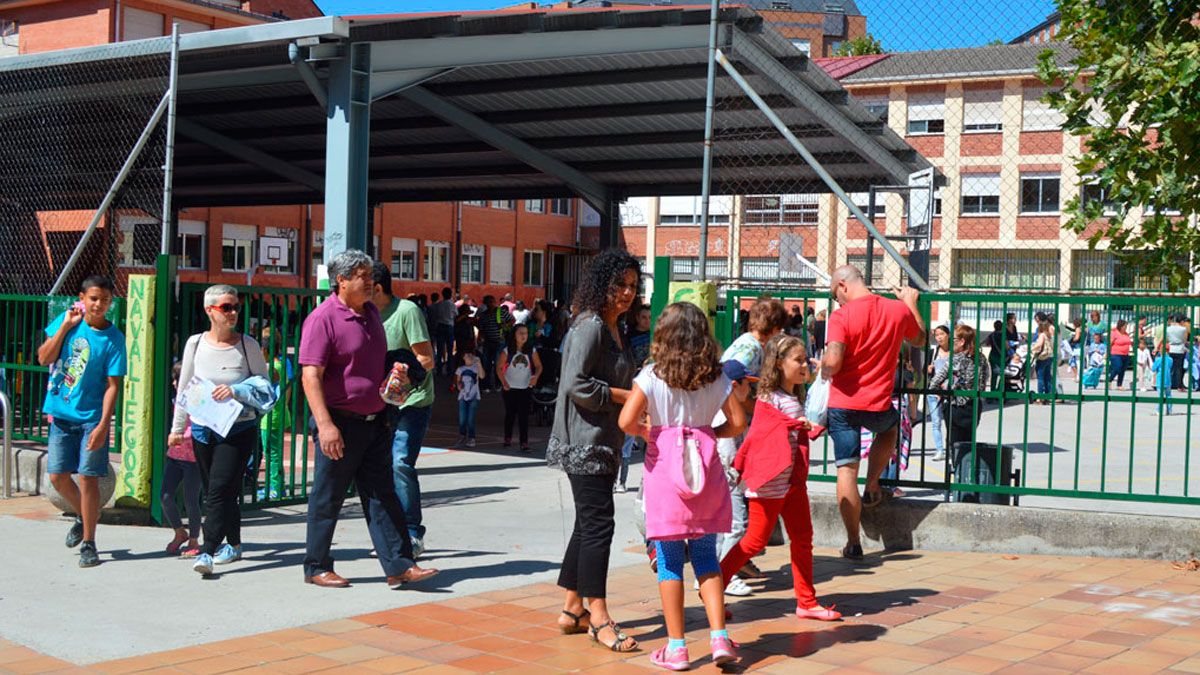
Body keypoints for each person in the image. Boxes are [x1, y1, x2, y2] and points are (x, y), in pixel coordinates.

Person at [617, 302, 749, 670]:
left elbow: (626, 420)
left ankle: (676, 647)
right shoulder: (717, 377)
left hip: (665, 475)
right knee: (707, 556)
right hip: (706, 474)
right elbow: (738, 422)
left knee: (670, 561)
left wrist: (651, 432)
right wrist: (709, 433)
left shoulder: (651, 376)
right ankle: (719, 636)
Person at [298, 250, 438, 589]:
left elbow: (373, 363)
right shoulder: (322, 319)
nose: (370, 280)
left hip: (376, 420)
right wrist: (326, 425)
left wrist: (397, 376)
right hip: (340, 424)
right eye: (361, 274)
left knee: (383, 494)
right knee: (328, 497)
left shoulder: (371, 313)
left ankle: (399, 565)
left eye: (369, 273)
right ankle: (316, 566)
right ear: (341, 281)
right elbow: (310, 375)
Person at [547, 248, 641, 652]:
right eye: (619, 284)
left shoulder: (613, 326)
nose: (625, 293)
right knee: (600, 525)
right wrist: (626, 396)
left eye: (633, 287)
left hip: (603, 442)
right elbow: (576, 385)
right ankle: (599, 615)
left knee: (588, 525)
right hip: (584, 444)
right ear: (600, 284)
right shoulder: (590, 327)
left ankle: (572, 609)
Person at [721, 334, 841, 625]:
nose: (804, 365)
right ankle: (713, 586)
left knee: (803, 539)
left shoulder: (794, 397)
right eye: (798, 360)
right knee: (753, 541)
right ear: (778, 363)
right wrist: (795, 424)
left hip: (791, 483)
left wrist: (802, 425)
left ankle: (807, 602)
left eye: (805, 359)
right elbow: (762, 432)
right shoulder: (768, 398)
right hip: (770, 483)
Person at [820, 266, 923, 560]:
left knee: (845, 469)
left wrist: (823, 364)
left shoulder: (841, 316)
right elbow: (919, 339)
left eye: (835, 295)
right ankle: (874, 482)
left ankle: (853, 542)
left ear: (842, 286)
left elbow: (835, 361)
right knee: (890, 428)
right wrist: (911, 304)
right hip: (878, 403)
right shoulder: (896, 311)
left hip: (843, 405)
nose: (837, 301)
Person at [169, 285, 271, 576]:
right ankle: (235, 545)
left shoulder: (247, 345)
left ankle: (208, 550)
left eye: (236, 306)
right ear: (209, 310)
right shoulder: (195, 344)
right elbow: (186, 387)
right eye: (226, 307)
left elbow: (264, 386)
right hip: (203, 429)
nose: (233, 312)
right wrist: (178, 428)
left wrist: (236, 390)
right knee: (222, 491)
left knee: (217, 490)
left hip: (238, 429)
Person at [38, 275, 127, 568]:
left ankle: (89, 542)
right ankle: (85, 515)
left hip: (91, 419)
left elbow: (113, 385)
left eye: (104, 299)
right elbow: (42, 357)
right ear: (82, 298)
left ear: (111, 302)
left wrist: (103, 426)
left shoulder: (113, 338)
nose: (98, 304)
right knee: (58, 477)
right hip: (61, 416)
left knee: (88, 478)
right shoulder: (68, 324)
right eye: (93, 298)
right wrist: (64, 327)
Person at [715, 298, 788, 595]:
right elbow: (729, 379)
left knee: (735, 495)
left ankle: (736, 561)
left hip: (731, 429)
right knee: (734, 505)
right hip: (729, 432)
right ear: (774, 328)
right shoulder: (749, 348)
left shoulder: (749, 344)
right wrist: (751, 407)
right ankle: (723, 573)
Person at [375, 263, 436, 558]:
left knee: (400, 462)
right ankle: (392, 534)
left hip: (413, 400)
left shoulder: (407, 311)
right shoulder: (365, 314)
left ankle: (412, 533)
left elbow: (427, 359)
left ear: (376, 288)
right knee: (381, 467)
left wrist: (403, 377)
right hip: (382, 403)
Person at [164, 364, 202, 557]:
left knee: (191, 499)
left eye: (177, 379)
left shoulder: (197, 400)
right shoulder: (173, 400)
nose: (174, 383)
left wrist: (179, 434)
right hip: (174, 455)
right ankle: (180, 532)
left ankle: (194, 538)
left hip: (193, 458)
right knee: (165, 496)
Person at [929, 325, 986, 452]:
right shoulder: (981, 358)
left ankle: (956, 468)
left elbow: (936, 380)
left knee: (954, 444)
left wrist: (940, 389)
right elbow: (981, 385)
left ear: (962, 342)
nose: (951, 342)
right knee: (968, 443)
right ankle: (966, 469)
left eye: (954, 339)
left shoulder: (955, 359)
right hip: (973, 405)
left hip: (955, 405)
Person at [616, 304, 653, 493]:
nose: (647, 321)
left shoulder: (655, 337)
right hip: (635, 386)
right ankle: (620, 479)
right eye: (644, 317)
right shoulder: (629, 337)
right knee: (628, 436)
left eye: (649, 317)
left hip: (653, 391)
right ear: (637, 318)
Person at [258, 324, 291, 501]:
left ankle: (275, 488)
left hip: (271, 417)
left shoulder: (271, 367)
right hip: (279, 413)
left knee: (272, 454)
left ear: (264, 349)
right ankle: (278, 486)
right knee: (274, 453)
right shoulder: (281, 363)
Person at [499, 323, 542, 452]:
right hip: (510, 388)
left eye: (526, 333)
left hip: (525, 387)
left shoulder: (531, 350)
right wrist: (503, 382)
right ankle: (507, 438)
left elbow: (539, 366)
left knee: (523, 416)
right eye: (520, 333)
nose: (524, 336)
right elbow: (499, 368)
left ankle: (524, 442)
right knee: (510, 414)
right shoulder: (507, 351)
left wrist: (536, 376)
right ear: (514, 335)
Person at [477, 295, 514, 392]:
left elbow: (512, 320)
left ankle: (498, 384)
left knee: (498, 363)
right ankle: (486, 385)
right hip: (488, 342)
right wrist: (480, 338)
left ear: (494, 302)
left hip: (500, 342)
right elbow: (481, 328)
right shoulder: (483, 315)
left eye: (490, 302)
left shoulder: (501, 311)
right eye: (487, 303)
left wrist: (505, 325)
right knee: (486, 364)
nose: (489, 304)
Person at [926, 325, 951, 461]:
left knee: (950, 422)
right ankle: (939, 450)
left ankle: (951, 450)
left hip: (949, 393)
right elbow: (925, 370)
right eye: (936, 335)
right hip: (933, 392)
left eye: (941, 334)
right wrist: (928, 369)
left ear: (948, 335)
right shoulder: (933, 352)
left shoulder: (955, 352)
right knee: (936, 422)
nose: (939, 337)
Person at [455, 351, 482, 447]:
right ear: (464, 357)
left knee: (471, 418)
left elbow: (482, 376)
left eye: (471, 356)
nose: (469, 357)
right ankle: (462, 435)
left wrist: (479, 363)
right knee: (462, 418)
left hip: (474, 396)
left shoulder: (476, 368)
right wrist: (459, 385)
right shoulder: (460, 369)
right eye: (467, 356)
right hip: (463, 396)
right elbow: (457, 381)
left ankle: (471, 437)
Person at [429, 288, 456, 376]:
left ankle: (439, 369)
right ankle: (449, 369)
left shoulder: (439, 305)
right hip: (449, 326)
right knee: (449, 349)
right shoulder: (452, 305)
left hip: (440, 326)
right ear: (450, 294)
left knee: (440, 349)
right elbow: (456, 315)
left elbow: (436, 315)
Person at [1031, 321, 1056, 402]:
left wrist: (1031, 349)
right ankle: (1048, 395)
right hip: (1049, 357)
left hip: (1042, 358)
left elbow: (1039, 344)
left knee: (1040, 377)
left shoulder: (1042, 335)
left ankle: (1040, 395)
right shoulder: (1049, 335)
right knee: (1047, 377)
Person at [1166, 314, 1189, 390]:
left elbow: (1167, 338)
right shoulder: (1183, 329)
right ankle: (1179, 385)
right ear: (1182, 321)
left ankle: (1168, 383)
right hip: (1180, 349)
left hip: (1171, 348)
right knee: (1179, 368)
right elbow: (1185, 340)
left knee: (1170, 367)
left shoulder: (1168, 328)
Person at [1108, 319, 1133, 390]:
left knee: (1122, 370)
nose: (1126, 327)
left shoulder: (1126, 334)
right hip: (1116, 354)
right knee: (1117, 368)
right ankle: (1109, 380)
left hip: (1125, 354)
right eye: (1125, 326)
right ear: (1121, 326)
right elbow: (1110, 343)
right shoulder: (1114, 333)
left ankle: (1119, 385)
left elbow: (1128, 342)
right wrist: (1107, 352)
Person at [453, 303, 477, 372]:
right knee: (461, 354)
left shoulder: (468, 319)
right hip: (461, 339)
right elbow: (457, 321)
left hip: (469, 339)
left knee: (470, 355)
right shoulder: (459, 318)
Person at [986, 320, 1006, 393]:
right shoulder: (1003, 335)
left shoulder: (991, 335)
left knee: (994, 376)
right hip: (1001, 356)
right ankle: (998, 391)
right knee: (1003, 375)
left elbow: (987, 343)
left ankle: (992, 392)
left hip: (993, 356)